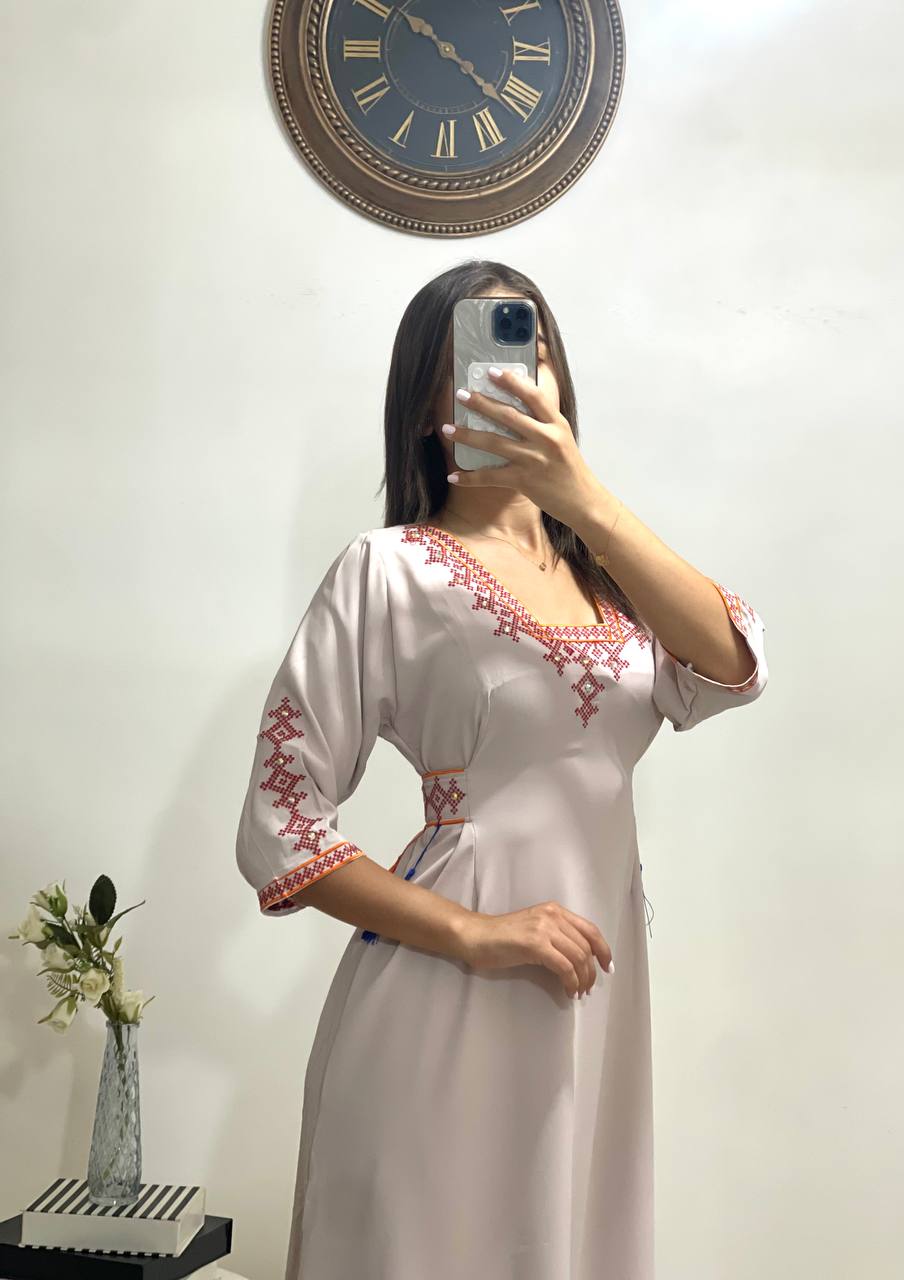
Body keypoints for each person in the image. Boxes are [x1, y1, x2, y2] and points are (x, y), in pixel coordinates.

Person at [234, 259, 769, 1280]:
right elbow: (279, 826)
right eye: (474, 362)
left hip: (592, 1001)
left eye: (536, 352)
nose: (515, 378)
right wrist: (474, 933)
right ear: (427, 408)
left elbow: (732, 666)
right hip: (444, 992)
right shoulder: (387, 570)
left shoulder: (616, 580)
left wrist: (585, 499)